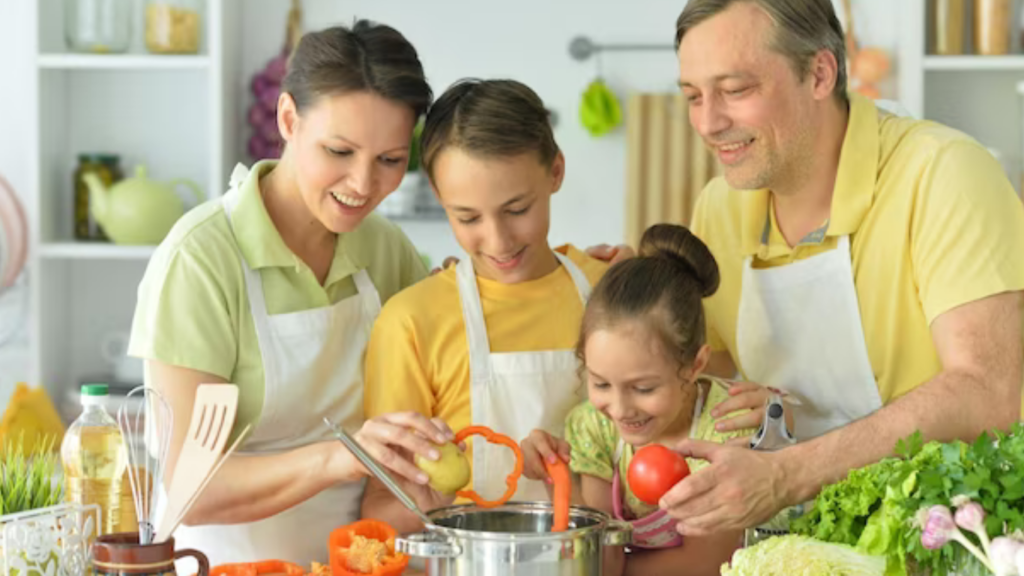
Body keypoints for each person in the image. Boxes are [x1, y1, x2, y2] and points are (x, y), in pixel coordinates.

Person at [657, 0, 1024, 537]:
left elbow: (989, 389)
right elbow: (700, 378)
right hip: (797, 545)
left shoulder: (943, 173)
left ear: (820, 73)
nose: (709, 123)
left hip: (949, 543)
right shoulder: (720, 206)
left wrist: (784, 474)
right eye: (693, 97)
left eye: (736, 90)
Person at [127, 21, 454, 565]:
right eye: (339, 150)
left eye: (391, 160)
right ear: (287, 119)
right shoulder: (201, 262)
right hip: (224, 563)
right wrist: (342, 458)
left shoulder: (386, 250)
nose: (362, 185)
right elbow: (192, 487)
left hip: (357, 561)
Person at [360, 79, 609, 533]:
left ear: (555, 172)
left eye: (517, 209)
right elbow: (380, 514)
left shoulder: (612, 294)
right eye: (468, 217)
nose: (497, 240)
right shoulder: (412, 322)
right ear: (439, 197)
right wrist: (432, 499)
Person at [523, 224, 768, 576]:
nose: (620, 410)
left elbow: (705, 560)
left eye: (643, 389)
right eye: (601, 383)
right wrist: (554, 477)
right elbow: (602, 543)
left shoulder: (727, 425)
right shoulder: (594, 426)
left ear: (695, 364)